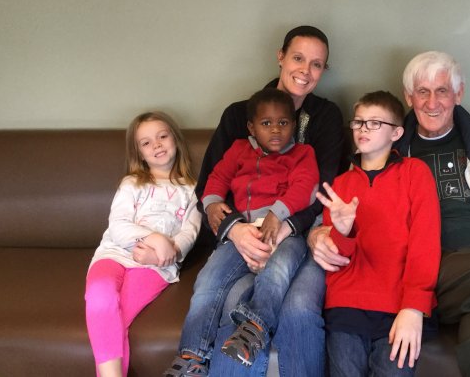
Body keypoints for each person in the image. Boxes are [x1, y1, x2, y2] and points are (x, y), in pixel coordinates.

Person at [311, 51, 470, 377]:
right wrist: (319, 234)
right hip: (424, 267)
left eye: (442, 91)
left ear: (459, 93)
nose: (431, 102)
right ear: (408, 97)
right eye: (422, 92)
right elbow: (346, 205)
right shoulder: (386, 143)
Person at [175, 25, 344, 377]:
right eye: (298, 58)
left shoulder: (325, 118)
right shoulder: (239, 116)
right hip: (242, 233)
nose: (305, 70)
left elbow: (320, 190)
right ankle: (193, 361)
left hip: (299, 233)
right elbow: (211, 186)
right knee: (224, 297)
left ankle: (256, 333)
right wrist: (236, 232)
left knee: (297, 306)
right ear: (280, 57)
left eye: (316, 64)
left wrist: (284, 225)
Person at [165, 89, 319, 375]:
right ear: (251, 127)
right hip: (242, 232)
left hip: (285, 233)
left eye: (283, 123)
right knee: (208, 282)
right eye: (266, 123)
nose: (276, 130)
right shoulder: (238, 150)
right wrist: (212, 204)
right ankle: (191, 357)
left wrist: (277, 214)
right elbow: (217, 178)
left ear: (294, 124)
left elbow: (306, 187)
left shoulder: (302, 153)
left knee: (277, 272)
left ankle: (256, 325)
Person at [315, 91, 440, 376]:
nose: (363, 129)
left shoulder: (415, 173)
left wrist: (413, 307)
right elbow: (336, 259)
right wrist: (342, 231)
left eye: (374, 123)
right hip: (346, 305)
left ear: (396, 133)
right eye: (358, 122)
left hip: (398, 306)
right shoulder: (340, 184)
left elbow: (425, 243)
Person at [85, 111, 201, 377]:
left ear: (175, 139)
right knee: (100, 297)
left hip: (154, 267)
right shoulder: (132, 183)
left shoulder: (192, 190)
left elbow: (189, 234)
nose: (157, 145)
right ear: (139, 153)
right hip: (112, 255)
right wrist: (155, 238)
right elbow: (118, 225)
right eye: (146, 142)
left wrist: (163, 254)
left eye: (162, 137)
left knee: (116, 317)